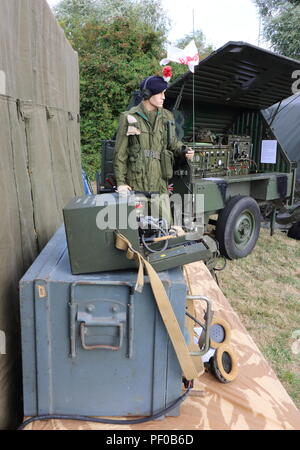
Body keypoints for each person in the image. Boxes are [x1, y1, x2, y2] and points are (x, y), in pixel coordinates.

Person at [113, 74, 194, 225]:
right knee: (136, 227)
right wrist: (121, 182)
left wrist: (184, 150)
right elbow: (120, 152)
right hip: (137, 182)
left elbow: (172, 142)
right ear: (147, 94)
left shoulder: (167, 117)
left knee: (165, 225)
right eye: (161, 93)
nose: (164, 97)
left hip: (159, 183)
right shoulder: (129, 117)